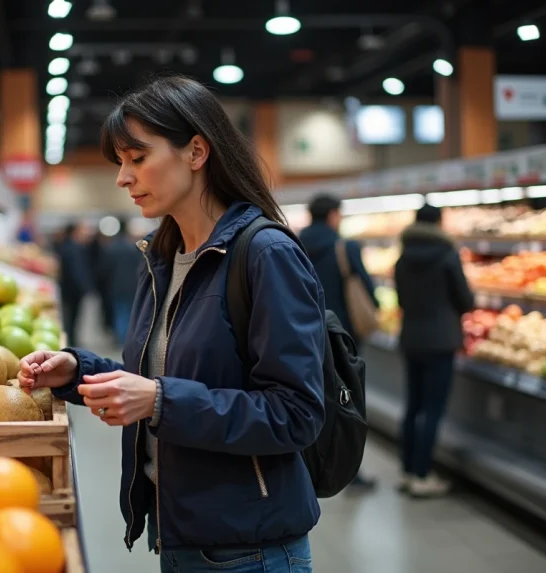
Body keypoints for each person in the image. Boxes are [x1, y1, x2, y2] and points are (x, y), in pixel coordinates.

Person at [19, 76, 325, 573]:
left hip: (250, 550)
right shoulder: (164, 256)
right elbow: (169, 372)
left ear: (197, 152)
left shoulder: (265, 255)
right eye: (120, 162)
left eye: (137, 159)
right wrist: (76, 371)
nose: (123, 177)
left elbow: (296, 414)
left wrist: (161, 401)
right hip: (180, 533)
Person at [299, 194, 378, 491]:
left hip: (305, 334)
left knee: (311, 398)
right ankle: (345, 470)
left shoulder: (291, 242)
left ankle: (310, 462)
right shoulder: (345, 246)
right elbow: (367, 287)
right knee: (346, 401)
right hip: (341, 336)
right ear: (333, 215)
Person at [394, 204, 474, 497]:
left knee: (413, 405)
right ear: (439, 223)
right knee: (433, 409)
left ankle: (406, 470)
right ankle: (422, 474)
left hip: (411, 338)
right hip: (441, 341)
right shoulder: (447, 256)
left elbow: (401, 300)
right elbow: (465, 300)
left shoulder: (402, 259)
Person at [103, 217, 140, 343]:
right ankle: (128, 337)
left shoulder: (111, 248)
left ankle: (120, 337)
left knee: (119, 311)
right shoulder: (132, 248)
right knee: (130, 312)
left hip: (115, 285)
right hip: (132, 284)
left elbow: (106, 269)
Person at [54, 222, 91, 347]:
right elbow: (77, 271)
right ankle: (72, 340)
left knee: (70, 316)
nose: (85, 233)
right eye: (82, 230)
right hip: (74, 290)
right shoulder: (74, 248)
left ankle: (72, 339)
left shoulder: (65, 246)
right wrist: (84, 287)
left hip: (67, 288)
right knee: (73, 316)